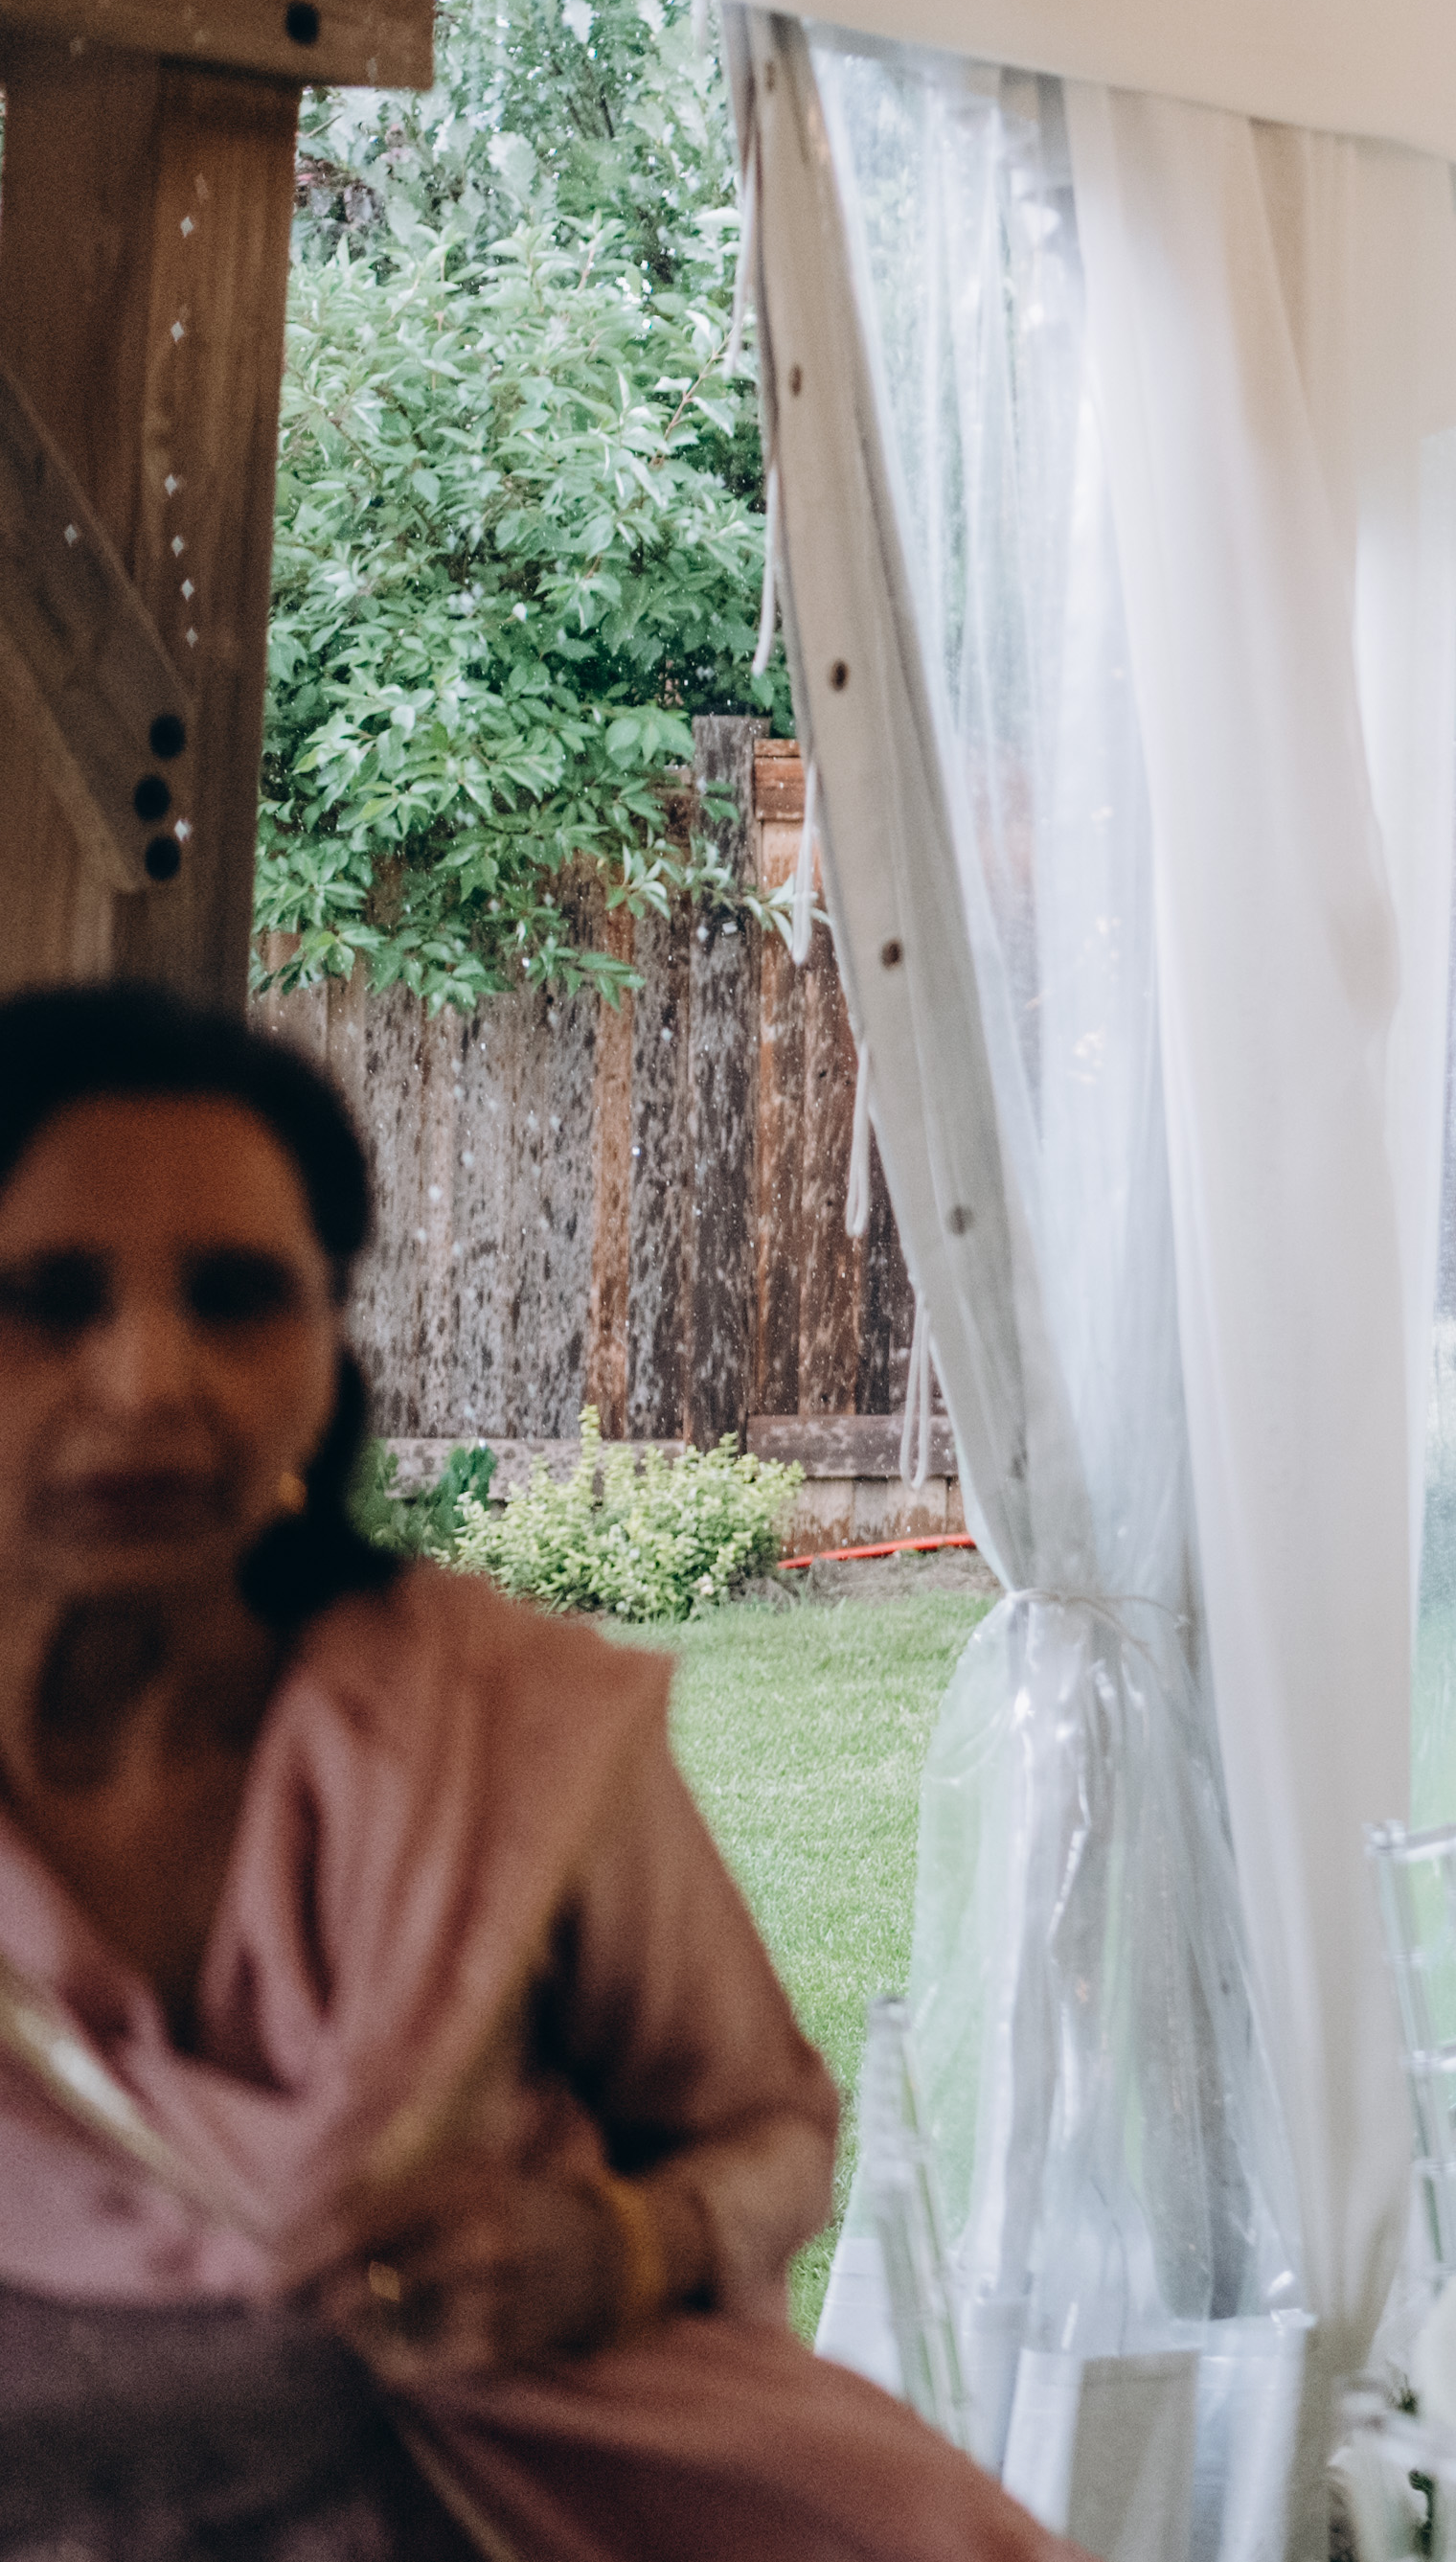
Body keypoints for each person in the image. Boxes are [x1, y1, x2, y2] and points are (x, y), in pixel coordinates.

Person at [0, 983, 1062, 2561]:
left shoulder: (497, 1728)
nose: (151, 1376)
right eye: (48, 1295)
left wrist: (608, 2247)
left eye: (236, 1296)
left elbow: (765, 2131)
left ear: (326, 1341)